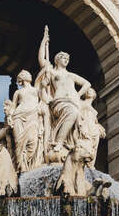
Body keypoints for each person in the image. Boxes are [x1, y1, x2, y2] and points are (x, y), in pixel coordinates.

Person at [36, 26, 91, 154]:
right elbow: (41, 59)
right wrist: (44, 42)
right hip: (59, 102)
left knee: (75, 115)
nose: (66, 60)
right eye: (63, 58)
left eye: (67, 59)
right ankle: (59, 142)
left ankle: (64, 142)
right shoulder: (52, 71)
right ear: (57, 60)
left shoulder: (71, 75)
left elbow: (87, 84)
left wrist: (77, 95)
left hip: (73, 101)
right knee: (73, 113)